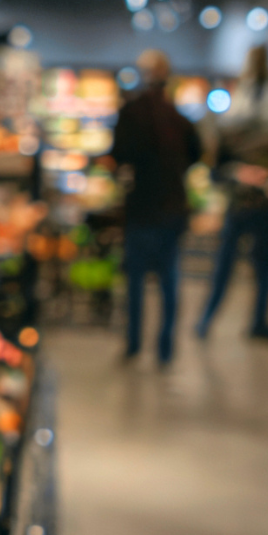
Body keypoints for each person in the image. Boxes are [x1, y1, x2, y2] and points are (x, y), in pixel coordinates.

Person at [107, 49, 203, 364]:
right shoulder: (180, 118)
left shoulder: (132, 114)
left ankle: (134, 344)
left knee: (135, 280)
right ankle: (165, 348)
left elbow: (118, 156)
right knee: (169, 279)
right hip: (173, 206)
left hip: (142, 207)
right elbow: (196, 157)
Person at [196, 44, 268, 342]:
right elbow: (217, 171)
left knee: (262, 271)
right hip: (243, 206)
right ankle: (206, 320)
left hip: (266, 208)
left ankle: (256, 322)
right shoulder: (235, 124)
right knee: (227, 268)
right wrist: (240, 173)